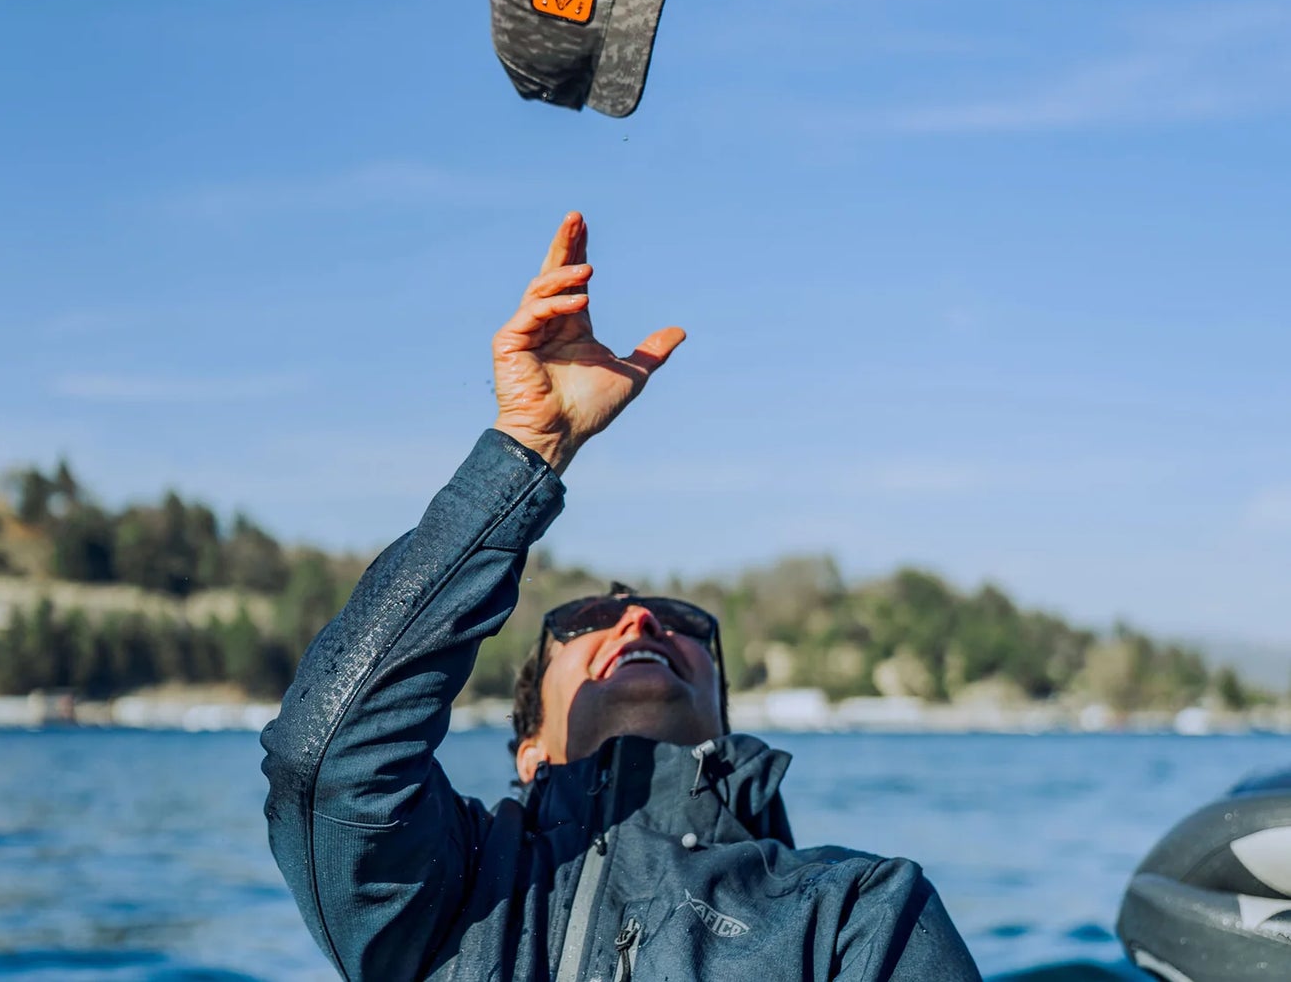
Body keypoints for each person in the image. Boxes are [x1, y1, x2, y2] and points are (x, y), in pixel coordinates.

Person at [261, 212, 982, 982]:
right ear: (529, 748)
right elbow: (328, 756)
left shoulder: (853, 908)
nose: (638, 617)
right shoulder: (443, 883)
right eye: (586, 621)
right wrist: (528, 447)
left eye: (681, 623)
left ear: (722, 718)